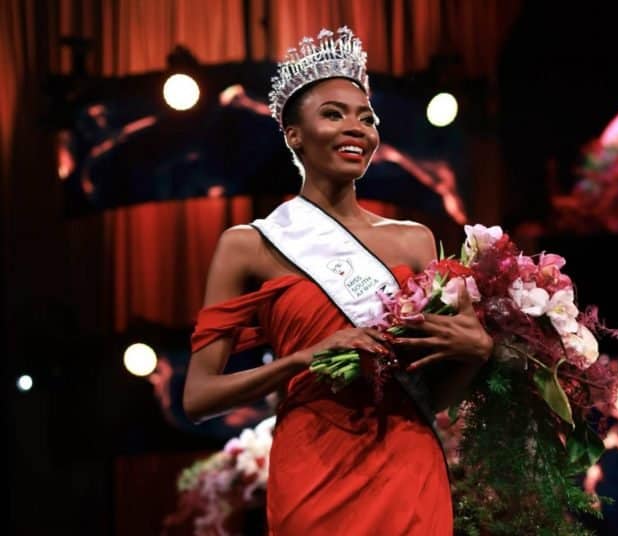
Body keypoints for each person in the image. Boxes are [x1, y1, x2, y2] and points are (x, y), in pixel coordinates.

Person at [182, 27, 492, 535]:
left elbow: (429, 393)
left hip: (407, 463)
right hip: (313, 466)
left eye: (367, 118)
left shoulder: (415, 240)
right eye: (333, 114)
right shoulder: (249, 245)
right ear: (294, 135)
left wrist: (476, 351)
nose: (357, 128)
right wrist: (302, 359)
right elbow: (198, 398)